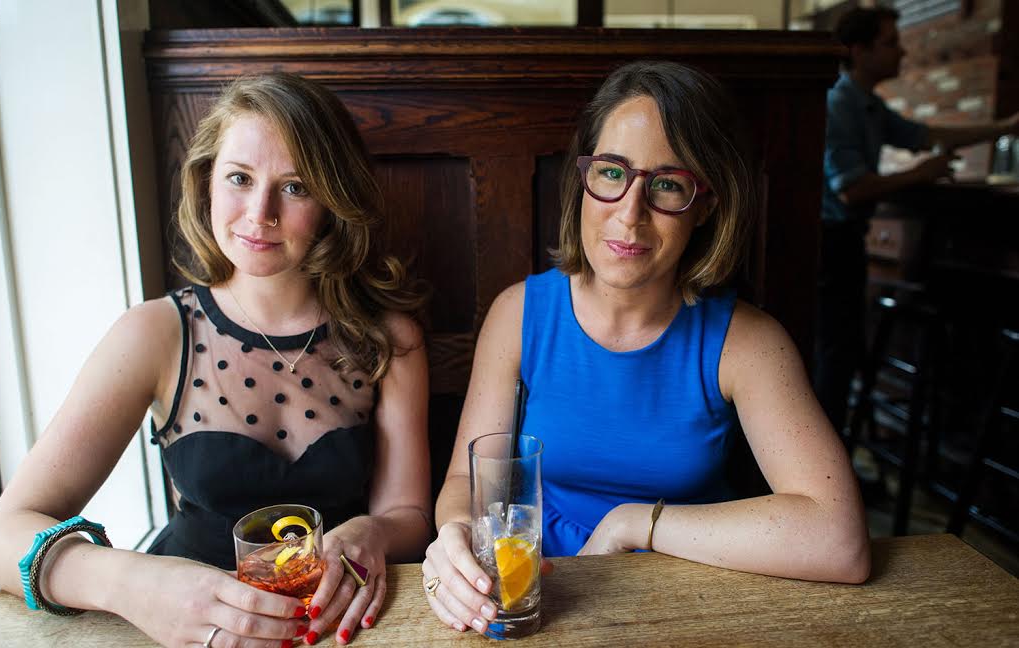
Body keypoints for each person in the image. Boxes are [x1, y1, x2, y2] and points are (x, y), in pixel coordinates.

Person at [0, 73, 432, 648]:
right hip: (179, 632)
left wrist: (373, 531)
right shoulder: (155, 332)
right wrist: (135, 583)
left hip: (334, 626)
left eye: (295, 187)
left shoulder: (388, 338)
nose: (260, 213)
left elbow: (408, 515)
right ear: (207, 183)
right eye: (239, 178)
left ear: (332, 202)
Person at [421, 61, 871, 636]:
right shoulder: (518, 313)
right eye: (612, 173)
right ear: (582, 180)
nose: (629, 213)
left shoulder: (748, 342)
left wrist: (635, 523)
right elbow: (464, 485)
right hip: (539, 593)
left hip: (687, 594)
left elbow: (839, 540)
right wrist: (456, 537)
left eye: (667, 184)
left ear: (705, 204)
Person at [815, 6, 1019, 433]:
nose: (902, 52)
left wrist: (1004, 126)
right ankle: (825, 452)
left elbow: (928, 135)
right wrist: (921, 173)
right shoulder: (841, 103)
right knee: (834, 353)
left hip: (845, 240)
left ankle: (837, 444)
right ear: (859, 50)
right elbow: (851, 188)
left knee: (842, 351)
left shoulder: (868, 105)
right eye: (891, 43)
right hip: (829, 244)